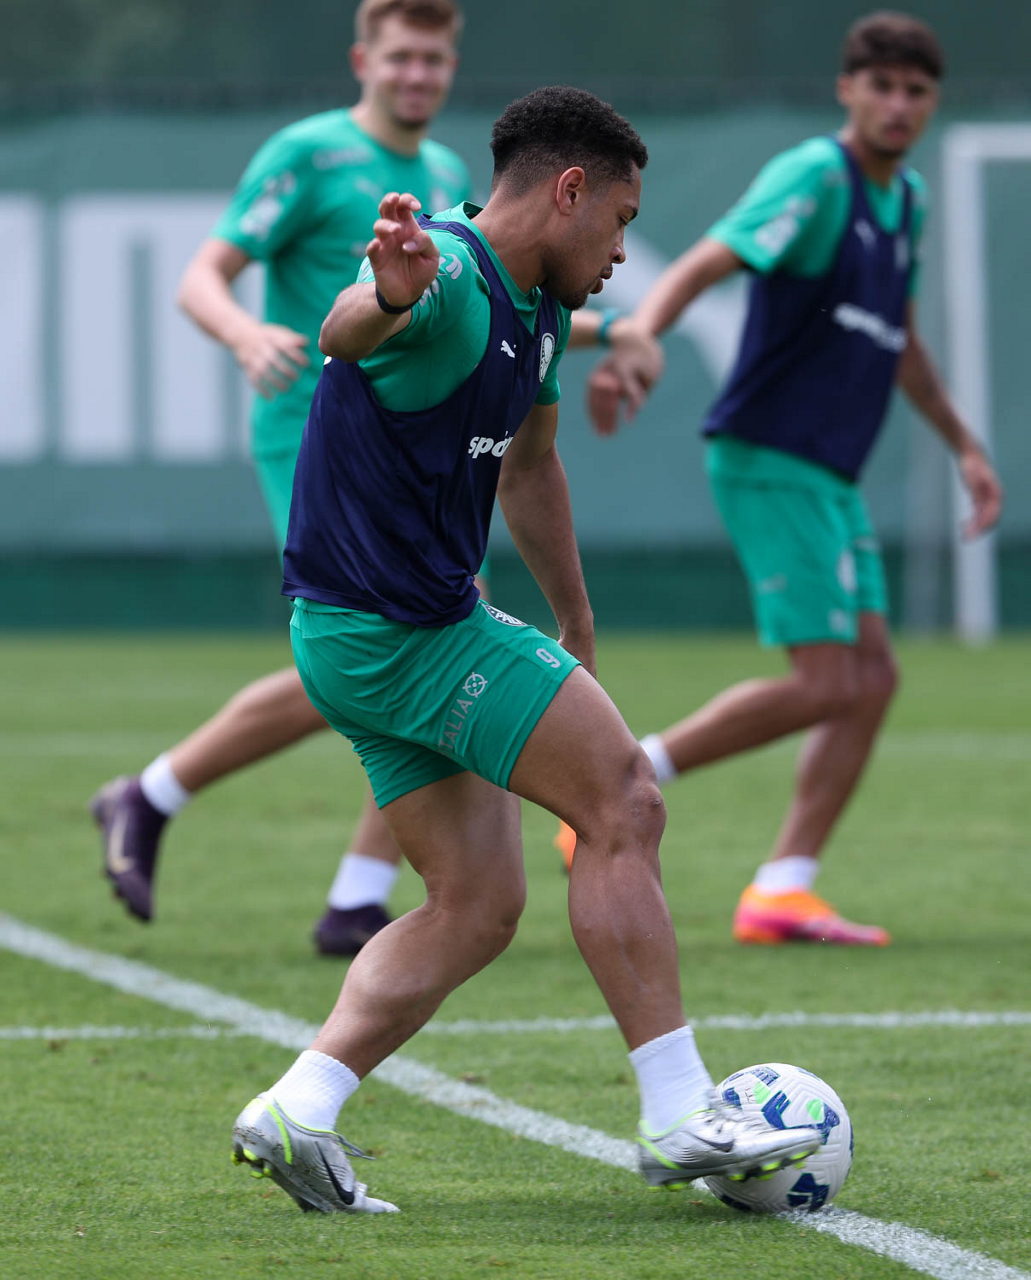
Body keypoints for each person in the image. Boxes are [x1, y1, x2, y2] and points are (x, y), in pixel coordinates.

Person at [229, 86, 819, 1215]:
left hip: (354, 640)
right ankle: (678, 1107)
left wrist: (574, 625)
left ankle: (298, 1105)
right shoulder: (445, 273)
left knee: (478, 902)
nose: (621, 251)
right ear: (569, 192)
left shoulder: (537, 306)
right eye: (621, 222)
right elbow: (347, 330)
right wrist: (383, 293)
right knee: (623, 797)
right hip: (402, 634)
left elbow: (532, 466)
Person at [89, 0, 656, 956]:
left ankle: (347, 889)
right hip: (318, 430)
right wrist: (245, 333)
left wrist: (610, 331)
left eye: (434, 59)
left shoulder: (446, 178)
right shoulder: (308, 153)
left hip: (423, 437)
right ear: (363, 59)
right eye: (400, 57)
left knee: (418, 637)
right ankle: (169, 800)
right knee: (382, 635)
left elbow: (495, 301)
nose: (417, 75)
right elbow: (202, 277)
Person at [568, 11, 1003, 944]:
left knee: (871, 678)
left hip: (829, 476)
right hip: (771, 456)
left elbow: (899, 338)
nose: (897, 104)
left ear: (932, 102)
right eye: (879, 85)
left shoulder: (907, 200)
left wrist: (963, 445)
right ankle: (618, 780)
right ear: (846, 90)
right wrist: (636, 339)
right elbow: (706, 260)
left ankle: (782, 887)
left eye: (914, 90)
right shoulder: (814, 177)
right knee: (826, 681)